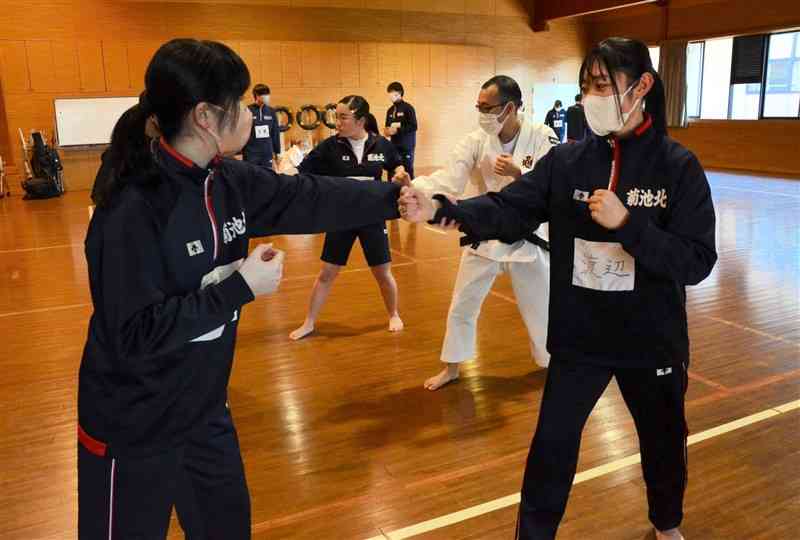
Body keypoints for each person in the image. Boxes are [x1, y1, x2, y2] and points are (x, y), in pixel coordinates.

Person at [79, 39, 410, 540]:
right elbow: (133, 334)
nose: (255, 117)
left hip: (205, 413)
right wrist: (238, 289)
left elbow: (312, 196)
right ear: (207, 116)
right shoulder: (132, 206)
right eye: (240, 103)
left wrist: (399, 198)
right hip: (133, 424)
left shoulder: (227, 180)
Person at [401, 37, 717, 540]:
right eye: (585, 86)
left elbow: (697, 261)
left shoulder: (678, 167)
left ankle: (666, 523)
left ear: (642, 87)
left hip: (650, 340)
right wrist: (448, 210)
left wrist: (629, 226)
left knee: (662, 442)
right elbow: (510, 208)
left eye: (601, 85)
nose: (589, 96)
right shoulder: (566, 162)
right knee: (552, 445)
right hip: (580, 337)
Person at [395, 75, 558, 391]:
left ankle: (552, 365)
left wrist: (518, 173)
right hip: (485, 231)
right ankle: (452, 367)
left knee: (542, 308)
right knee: (463, 304)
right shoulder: (475, 141)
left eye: (487, 107)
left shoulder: (542, 135)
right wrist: (414, 187)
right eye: (478, 107)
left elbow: (552, 183)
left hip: (529, 235)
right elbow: (449, 179)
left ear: (509, 108)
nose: (481, 113)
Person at [289, 96, 407, 341]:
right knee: (327, 273)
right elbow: (301, 172)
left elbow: (397, 165)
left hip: (373, 218)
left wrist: (400, 174)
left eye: (343, 117)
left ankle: (394, 314)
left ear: (361, 120)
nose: (337, 123)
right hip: (340, 218)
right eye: (336, 117)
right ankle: (309, 322)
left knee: (383, 272)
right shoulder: (329, 147)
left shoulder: (381, 145)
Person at [241, 83, 281, 169]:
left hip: (267, 153)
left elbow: (275, 133)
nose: (267, 96)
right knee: (251, 178)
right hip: (251, 153)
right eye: (264, 94)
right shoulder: (247, 111)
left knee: (267, 177)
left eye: (267, 94)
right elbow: (242, 132)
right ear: (257, 96)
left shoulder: (271, 112)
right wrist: (240, 152)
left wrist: (277, 152)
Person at [384, 81, 418, 178]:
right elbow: (387, 126)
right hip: (394, 147)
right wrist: (387, 131)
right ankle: (391, 191)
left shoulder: (408, 108)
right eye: (389, 93)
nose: (390, 96)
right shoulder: (390, 110)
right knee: (392, 171)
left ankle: (410, 191)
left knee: (407, 171)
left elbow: (414, 126)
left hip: (406, 147)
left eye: (393, 93)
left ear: (400, 93)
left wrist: (397, 130)